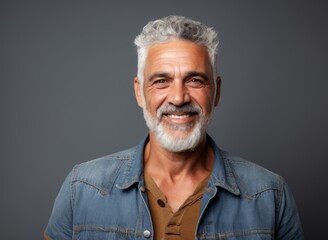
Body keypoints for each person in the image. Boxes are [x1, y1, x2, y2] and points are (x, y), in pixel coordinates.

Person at [45, 15, 304, 240]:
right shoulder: (82, 189)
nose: (178, 98)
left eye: (195, 80)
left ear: (216, 92)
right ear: (139, 92)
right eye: (161, 81)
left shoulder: (270, 195)